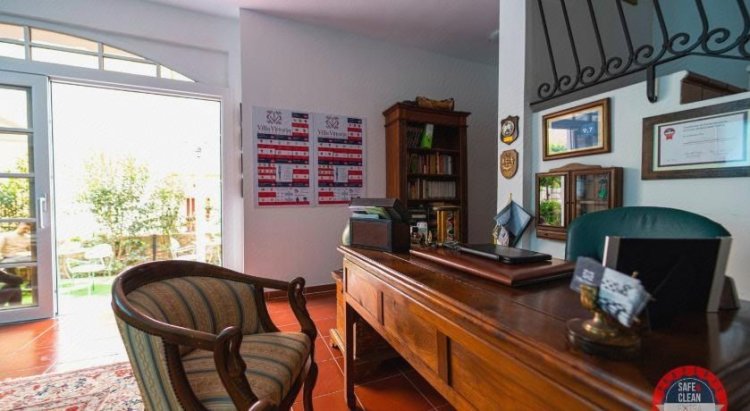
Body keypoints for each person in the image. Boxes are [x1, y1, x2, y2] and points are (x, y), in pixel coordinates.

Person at [0, 223, 31, 307]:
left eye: (28, 229)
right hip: (8, 260)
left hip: (22, 259)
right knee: (17, 281)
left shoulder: (28, 238)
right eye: (25, 228)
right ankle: (16, 307)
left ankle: (16, 307)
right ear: (20, 225)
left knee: (15, 285)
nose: (26, 231)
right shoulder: (5, 236)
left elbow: (33, 251)